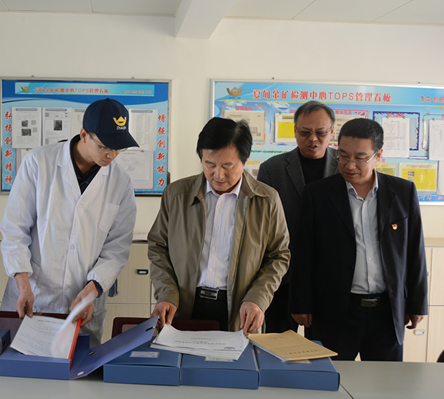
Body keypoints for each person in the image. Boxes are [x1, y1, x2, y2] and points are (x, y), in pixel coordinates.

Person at [0, 98, 138, 346]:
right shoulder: (38, 162)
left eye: (119, 148)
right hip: (34, 296)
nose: (111, 155)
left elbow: (117, 248)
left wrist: (92, 289)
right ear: (84, 134)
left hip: (84, 303)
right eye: (104, 146)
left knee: (80, 366)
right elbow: (14, 230)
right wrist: (23, 284)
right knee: (21, 365)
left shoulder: (121, 181)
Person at [289, 118, 428, 361]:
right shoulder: (317, 194)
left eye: (360, 158)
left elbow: (415, 252)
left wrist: (418, 304)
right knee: (333, 377)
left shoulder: (402, 192)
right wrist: (301, 304)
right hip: (334, 310)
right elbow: (303, 252)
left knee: (386, 381)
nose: (349, 165)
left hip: (387, 311)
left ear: (378, 155)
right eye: (343, 156)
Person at [149, 117, 290, 332]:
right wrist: (165, 293)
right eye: (210, 164)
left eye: (227, 166)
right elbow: (158, 247)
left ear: (245, 160)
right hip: (183, 306)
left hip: (240, 311)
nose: (218, 174)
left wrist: (258, 298)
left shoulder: (266, 200)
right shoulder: (176, 195)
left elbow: (278, 256)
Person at [257, 100, 338, 334]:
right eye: (305, 132)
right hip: (283, 276)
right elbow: (262, 226)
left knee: (324, 347)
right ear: (294, 130)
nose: (313, 139)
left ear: (332, 132)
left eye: (321, 132)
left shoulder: (345, 167)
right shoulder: (272, 169)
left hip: (329, 278)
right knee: (279, 346)